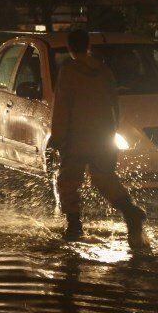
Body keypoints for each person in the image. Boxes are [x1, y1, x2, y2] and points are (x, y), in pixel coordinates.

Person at [50, 29, 148, 248]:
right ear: (88, 46)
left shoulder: (68, 71)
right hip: (102, 138)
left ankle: (74, 225)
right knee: (104, 178)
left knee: (68, 181)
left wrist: (57, 138)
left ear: (69, 48)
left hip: (76, 139)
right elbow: (115, 106)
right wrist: (111, 133)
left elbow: (62, 108)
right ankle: (130, 211)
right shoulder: (104, 71)